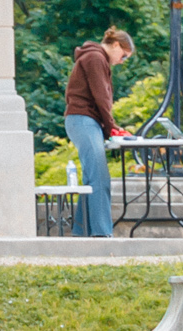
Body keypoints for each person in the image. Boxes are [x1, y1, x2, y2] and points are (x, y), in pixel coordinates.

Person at [64, 27, 136, 237]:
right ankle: (102, 234)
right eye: (123, 56)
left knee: (91, 177)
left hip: (83, 121)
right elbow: (101, 97)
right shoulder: (96, 58)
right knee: (100, 178)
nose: (122, 61)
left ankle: (82, 231)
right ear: (115, 45)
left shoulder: (95, 57)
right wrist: (111, 127)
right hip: (84, 120)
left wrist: (108, 128)